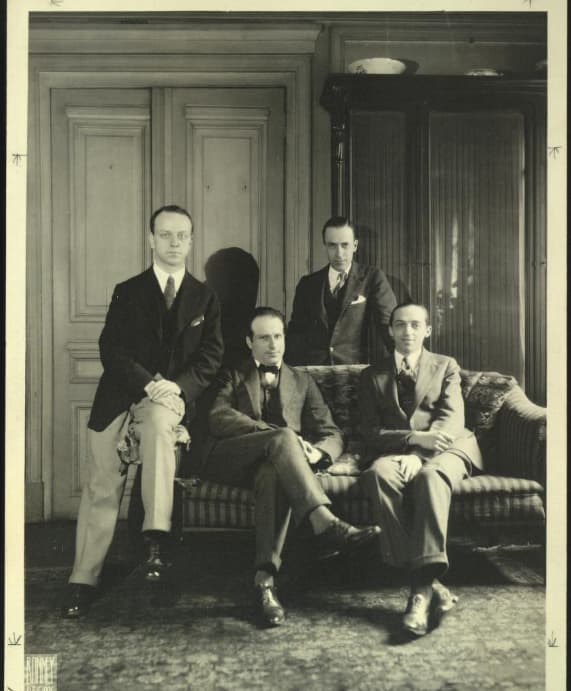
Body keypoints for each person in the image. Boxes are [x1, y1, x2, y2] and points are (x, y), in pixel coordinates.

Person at [61, 204, 223, 618]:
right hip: (121, 394)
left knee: (157, 424)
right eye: (165, 235)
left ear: (190, 240)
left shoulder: (205, 296)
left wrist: (177, 388)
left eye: (181, 235)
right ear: (151, 239)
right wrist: (149, 383)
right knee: (101, 486)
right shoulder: (128, 290)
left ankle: (156, 534)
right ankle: (82, 580)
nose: (173, 243)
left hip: (168, 402)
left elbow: (211, 356)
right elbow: (111, 350)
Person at [202, 307, 381, 627]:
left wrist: (317, 455)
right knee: (284, 437)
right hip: (232, 459)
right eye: (264, 338)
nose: (273, 345)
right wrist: (278, 437)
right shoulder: (232, 373)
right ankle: (325, 522)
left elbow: (331, 432)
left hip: (276, 467)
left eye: (278, 336)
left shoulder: (302, 380)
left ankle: (265, 582)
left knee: (273, 474)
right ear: (248, 341)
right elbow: (217, 417)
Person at [359, 302, 483, 636]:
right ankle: (429, 583)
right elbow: (369, 433)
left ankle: (418, 594)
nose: (407, 332)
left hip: (450, 449)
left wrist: (419, 453)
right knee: (376, 475)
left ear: (428, 330)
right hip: (398, 451)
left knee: (429, 477)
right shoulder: (372, 374)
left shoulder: (446, 366)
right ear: (390, 331)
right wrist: (412, 440)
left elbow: (451, 420)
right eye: (400, 325)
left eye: (415, 325)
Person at [286, 216, 397, 365]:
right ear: (324, 245)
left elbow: (390, 326)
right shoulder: (307, 284)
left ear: (355, 245)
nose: (339, 253)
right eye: (332, 245)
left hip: (358, 374)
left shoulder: (373, 278)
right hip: (314, 374)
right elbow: (295, 336)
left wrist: (403, 364)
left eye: (345, 245)